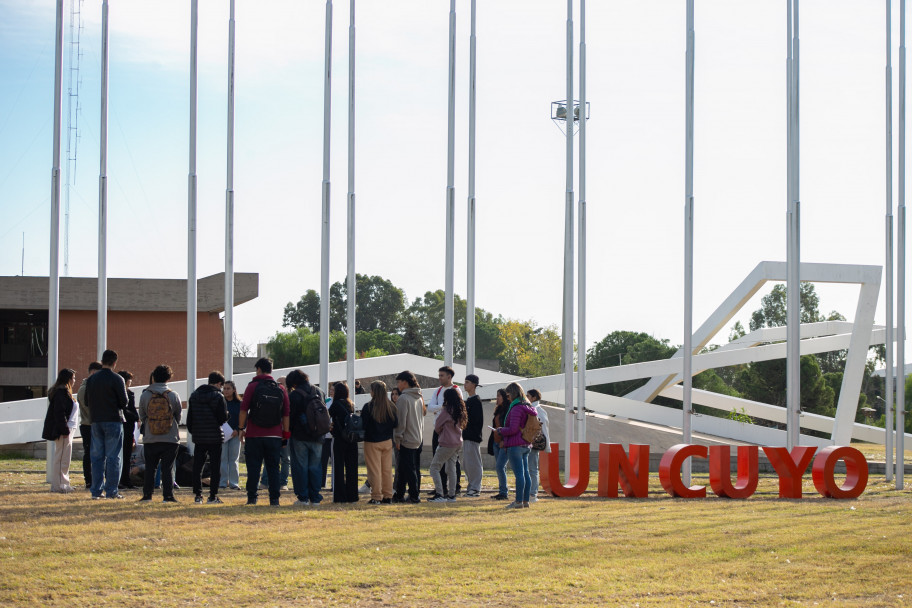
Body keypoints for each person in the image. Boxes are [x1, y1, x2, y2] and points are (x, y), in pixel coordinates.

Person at [239, 357, 290, 506]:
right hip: (274, 435)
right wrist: (285, 435)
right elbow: (286, 414)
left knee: (253, 467)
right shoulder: (280, 388)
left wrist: (241, 428)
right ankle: (274, 499)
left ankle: (252, 498)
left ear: (259, 369)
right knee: (274, 467)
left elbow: (243, 410)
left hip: (254, 434)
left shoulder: (252, 386)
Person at [84, 349, 128, 499]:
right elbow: (124, 402)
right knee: (113, 457)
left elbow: (85, 401)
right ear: (115, 363)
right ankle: (112, 491)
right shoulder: (117, 379)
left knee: (96, 457)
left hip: (96, 420)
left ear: (102, 361)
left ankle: (96, 491)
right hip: (114, 420)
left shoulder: (91, 379)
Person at [138, 364, 184, 502]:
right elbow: (178, 416)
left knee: (151, 468)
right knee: (167, 468)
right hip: (170, 438)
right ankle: (168, 496)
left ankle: (147, 495)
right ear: (169, 378)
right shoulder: (173, 394)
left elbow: (142, 415)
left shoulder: (145, 394)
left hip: (150, 437)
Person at [187, 371, 229, 504]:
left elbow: (189, 419)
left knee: (197, 466)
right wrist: (227, 415)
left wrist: (194, 432)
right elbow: (222, 418)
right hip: (215, 437)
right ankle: (212, 495)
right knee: (215, 467)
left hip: (199, 436)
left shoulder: (194, 396)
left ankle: (198, 495)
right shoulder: (218, 396)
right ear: (218, 383)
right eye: (221, 386)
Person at [286, 369, 326, 505]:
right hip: (319, 436)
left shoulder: (294, 395)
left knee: (300, 467)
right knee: (315, 467)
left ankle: (303, 498)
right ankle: (315, 498)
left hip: (300, 436)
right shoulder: (319, 392)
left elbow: (290, 417)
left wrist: (287, 432)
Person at [497, 382, 537, 509]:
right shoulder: (528, 406)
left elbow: (513, 429)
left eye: (508, 395)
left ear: (512, 394)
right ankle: (525, 501)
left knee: (519, 474)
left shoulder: (516, 408)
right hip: (526, 443)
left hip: (515, 444)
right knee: (526, 474)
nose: (507, 397)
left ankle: (518, 501)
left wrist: (500, 430)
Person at [426, 366, 462, 495]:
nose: (439, 378)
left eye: (442, 375)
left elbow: (458, 407)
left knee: (452, 463)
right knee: (439, 460)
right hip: (438, 430)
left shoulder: (456, 390)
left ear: (449, 377)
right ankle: (441, 487)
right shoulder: (438, 390)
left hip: (451, 432)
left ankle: (454, 488)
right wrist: (442, 407)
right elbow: (429, 407)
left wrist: (441, 410)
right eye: (439, 375)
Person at [361, 380, 398, 505]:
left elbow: (363, 424)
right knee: (387, 470)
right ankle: (388, 495)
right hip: (387, 441)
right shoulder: (391, 406)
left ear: (374, 392)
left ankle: (376, 496)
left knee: (374, 470)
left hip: (372, 441)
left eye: (371, 390)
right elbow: (396, 423)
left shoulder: (368, 407)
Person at [42, 368, 78, 493]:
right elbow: (59, 413)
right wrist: (64, 430)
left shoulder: (63, 392)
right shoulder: (61, 392)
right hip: (65, 430)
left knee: (64, 458)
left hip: (68, 428)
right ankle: (59, 485)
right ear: (68, 379)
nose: (74, 380)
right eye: (73, 378)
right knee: (62, 458)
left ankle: (63, 483)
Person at [428, 387, 467, 502]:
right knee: (451, 469)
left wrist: (442, 433)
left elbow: (437, 426)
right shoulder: (460, 410)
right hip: (457, 443)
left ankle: (439, 493)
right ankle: (451, 495)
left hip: (446, 443)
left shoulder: (446, 410)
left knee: (434, 467)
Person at [392, 370, 425, 504]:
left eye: (399, 382)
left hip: (406, 438)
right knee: (406, 468)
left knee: (408, 469)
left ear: (405, 382)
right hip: (417, 437)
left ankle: (414, 495)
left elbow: (401, 421)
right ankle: (399, 494)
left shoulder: (404, 398)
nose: (398, 385)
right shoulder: (418, 397)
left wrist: (397, 438)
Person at [329, 382, 359, 503]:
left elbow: (330, 417)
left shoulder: (335, 405)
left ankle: (340, 496)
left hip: (340, 439)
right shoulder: (350, 404)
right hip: (352, 439)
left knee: (339, 468)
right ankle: (352, 495)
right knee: (352, 468)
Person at [261, 376, 291, 491]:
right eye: (277, 382)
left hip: (286, 432)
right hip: (274, 431)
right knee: (269, 457)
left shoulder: (290, 397)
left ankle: (283, 482)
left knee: (285, 458)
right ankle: (264, 481)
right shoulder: (272, 396)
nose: (279, 385)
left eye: (281, 383)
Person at [76, 361, 102, 489]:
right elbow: (88, 408)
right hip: (88, 425)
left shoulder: (93, 386)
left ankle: (95, 479)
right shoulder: (84, 388)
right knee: (89, 454)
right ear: (93, 372)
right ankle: (89, 480)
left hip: (95, 424)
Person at [461, 374, 484, 497]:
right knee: (467, 464)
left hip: (473, 437)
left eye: (468, 382)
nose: (465, 384)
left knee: (474, 463)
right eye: (465, 382)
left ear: (474, 385)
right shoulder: (469, 400)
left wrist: (470, 432)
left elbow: (476, 421)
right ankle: (472, 486)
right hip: (466, 436)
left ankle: (475, 488)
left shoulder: (476, 401)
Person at [526, 389, 550, 502]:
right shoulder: (530, 409)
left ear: (534, 397)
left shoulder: (539, 411)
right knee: (529, 469)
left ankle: (532, 493)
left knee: (532, 469)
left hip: (533, 443)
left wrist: (547, 446)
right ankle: (529, 493)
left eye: (528, 396)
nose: (526, 397)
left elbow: (545, 429)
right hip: (527, 442)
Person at [487, 389, 511, 500]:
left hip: (504, 443)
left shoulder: (508, 410)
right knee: (501, 467)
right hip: (496, 442)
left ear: (504, 397)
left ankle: (503, 492)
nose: (497, 398)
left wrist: (504, 440)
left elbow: (509, 427)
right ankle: (502, 490)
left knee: (500, 466)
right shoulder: (498, 410)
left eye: (499, 396)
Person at [118, 370, 139, 489]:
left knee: (127, 455)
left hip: (130, 427)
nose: (130, 382)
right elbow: (126, 410)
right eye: (129, 379)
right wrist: (135, 417)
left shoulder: (130, 393)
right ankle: (121, 479)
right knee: (121, 455)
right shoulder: (122, 394)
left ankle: (126, 479)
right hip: (124, 426)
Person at [219, 380, 242, 490]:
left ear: (234, 390)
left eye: (228, 388)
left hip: (235, 434)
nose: (226, 390)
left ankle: (234, 483)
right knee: (223, 458)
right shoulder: (220, 402)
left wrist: (238, 430)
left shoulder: (239, 403)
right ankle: (223, 482)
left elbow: (244, 418)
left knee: (233, 459)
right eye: (224, 388)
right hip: (222, 434)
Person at [319, 382, 336, 489]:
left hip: (334, 437)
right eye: (330, 389)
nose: (331, 391)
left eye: (333, 390)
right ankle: (321, 483)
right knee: (323, 461)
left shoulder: (339, 402)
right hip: (326, 436)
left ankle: (334, 484)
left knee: (334, 462)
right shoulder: (327, 401)